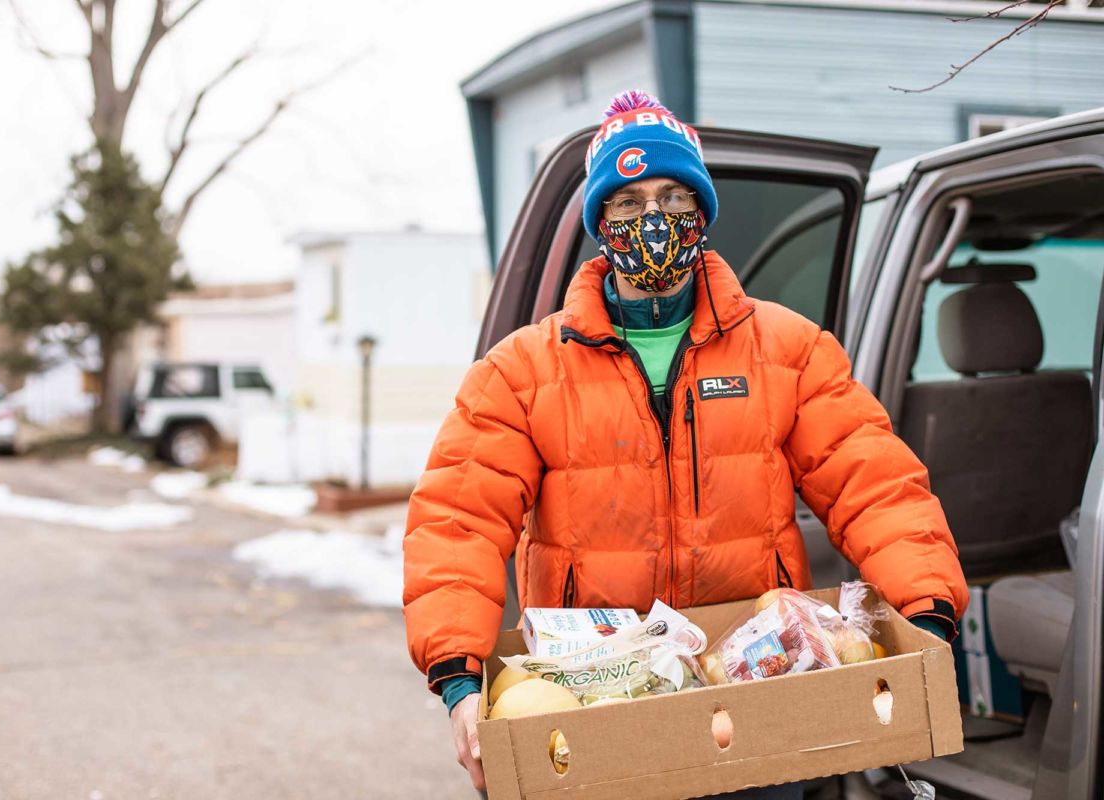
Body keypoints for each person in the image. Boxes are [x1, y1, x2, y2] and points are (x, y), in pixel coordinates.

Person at [402, 90, 969, 797]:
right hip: (591, 703)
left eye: (673, 198)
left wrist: (927, 615)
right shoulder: (520, 373)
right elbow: (457, 523)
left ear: (702, 213)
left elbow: (875, 485)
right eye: (629, 203)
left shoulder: (789, 350)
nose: (653, 220)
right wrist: (459, 678)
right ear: (600, 222)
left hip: (755, 682)